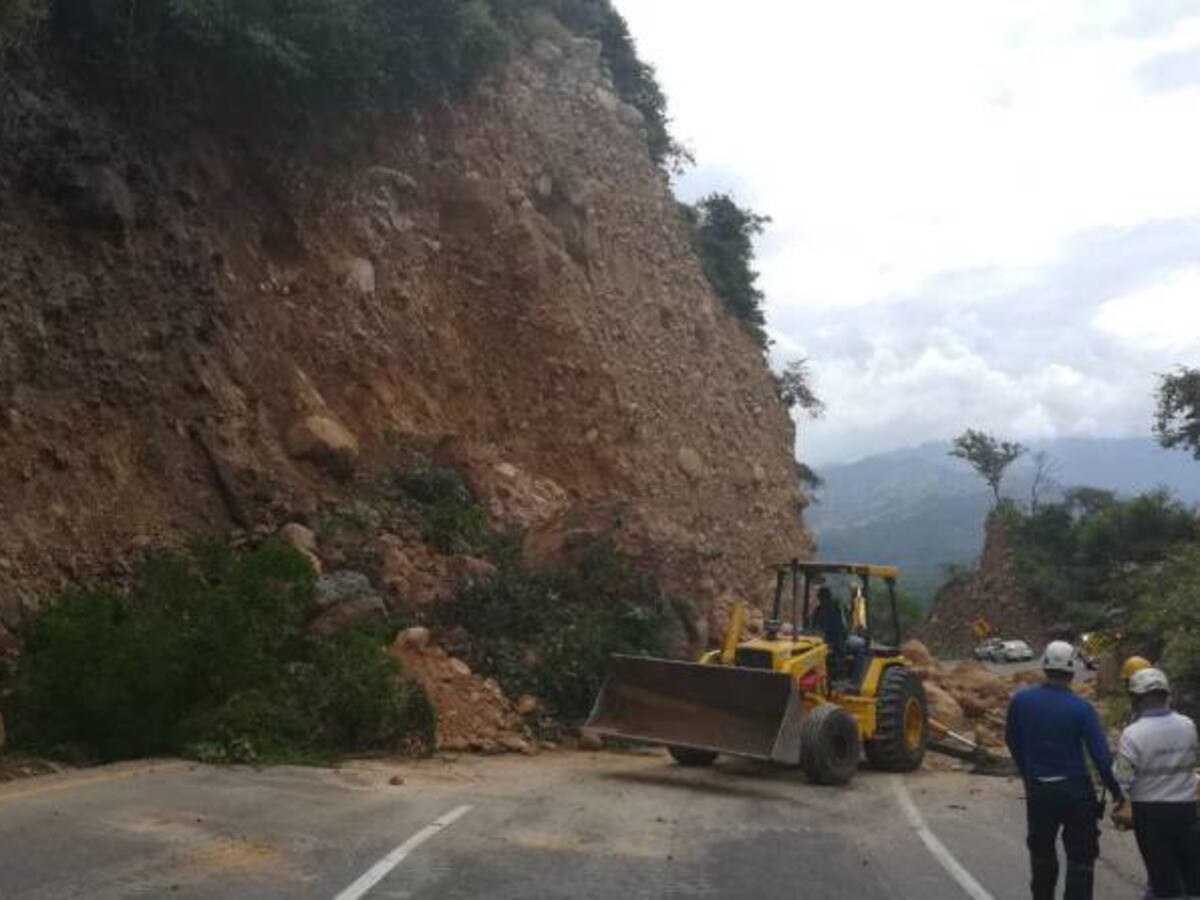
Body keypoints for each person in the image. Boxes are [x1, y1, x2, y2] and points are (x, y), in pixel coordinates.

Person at [1005, 640, 1124, 900]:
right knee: (1081, 861)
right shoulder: (1082, 709)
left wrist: (1028, 773)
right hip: (1076, 793)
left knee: (1042, 858)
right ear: (1072, 671)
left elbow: (1012, 739)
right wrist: (1117, 793)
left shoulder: (1021, 701)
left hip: (1039, 792)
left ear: (1044, 666)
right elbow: (1102, 759)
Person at [1111, 668, 1199, 899]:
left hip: (1151, 815)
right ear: (1166, 695)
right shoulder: (1188, 725)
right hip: (1187, 810)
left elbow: (1123, 777)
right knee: (1192, 877)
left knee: (1162, 881)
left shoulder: (1133, 734)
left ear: (1136, 699)